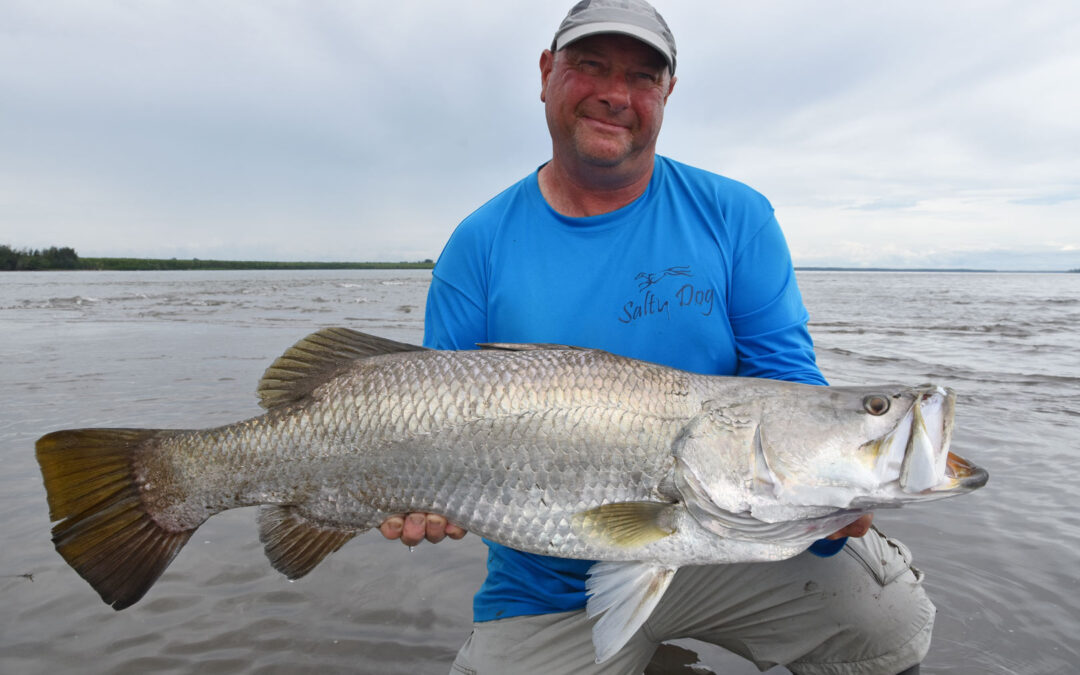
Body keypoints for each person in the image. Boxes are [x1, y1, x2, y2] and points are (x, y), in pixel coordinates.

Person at [379, 1, 932, 673]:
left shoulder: (736, 216)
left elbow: (790, 388)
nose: (616, 93)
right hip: (547, 581)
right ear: (547, 72)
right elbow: (429, 413)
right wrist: (418, 498)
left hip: (731, 545)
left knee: (882, 619)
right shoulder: (477, 245)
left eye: (643, 76)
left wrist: (828, 508)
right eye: (590, 65)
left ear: (667, 91)